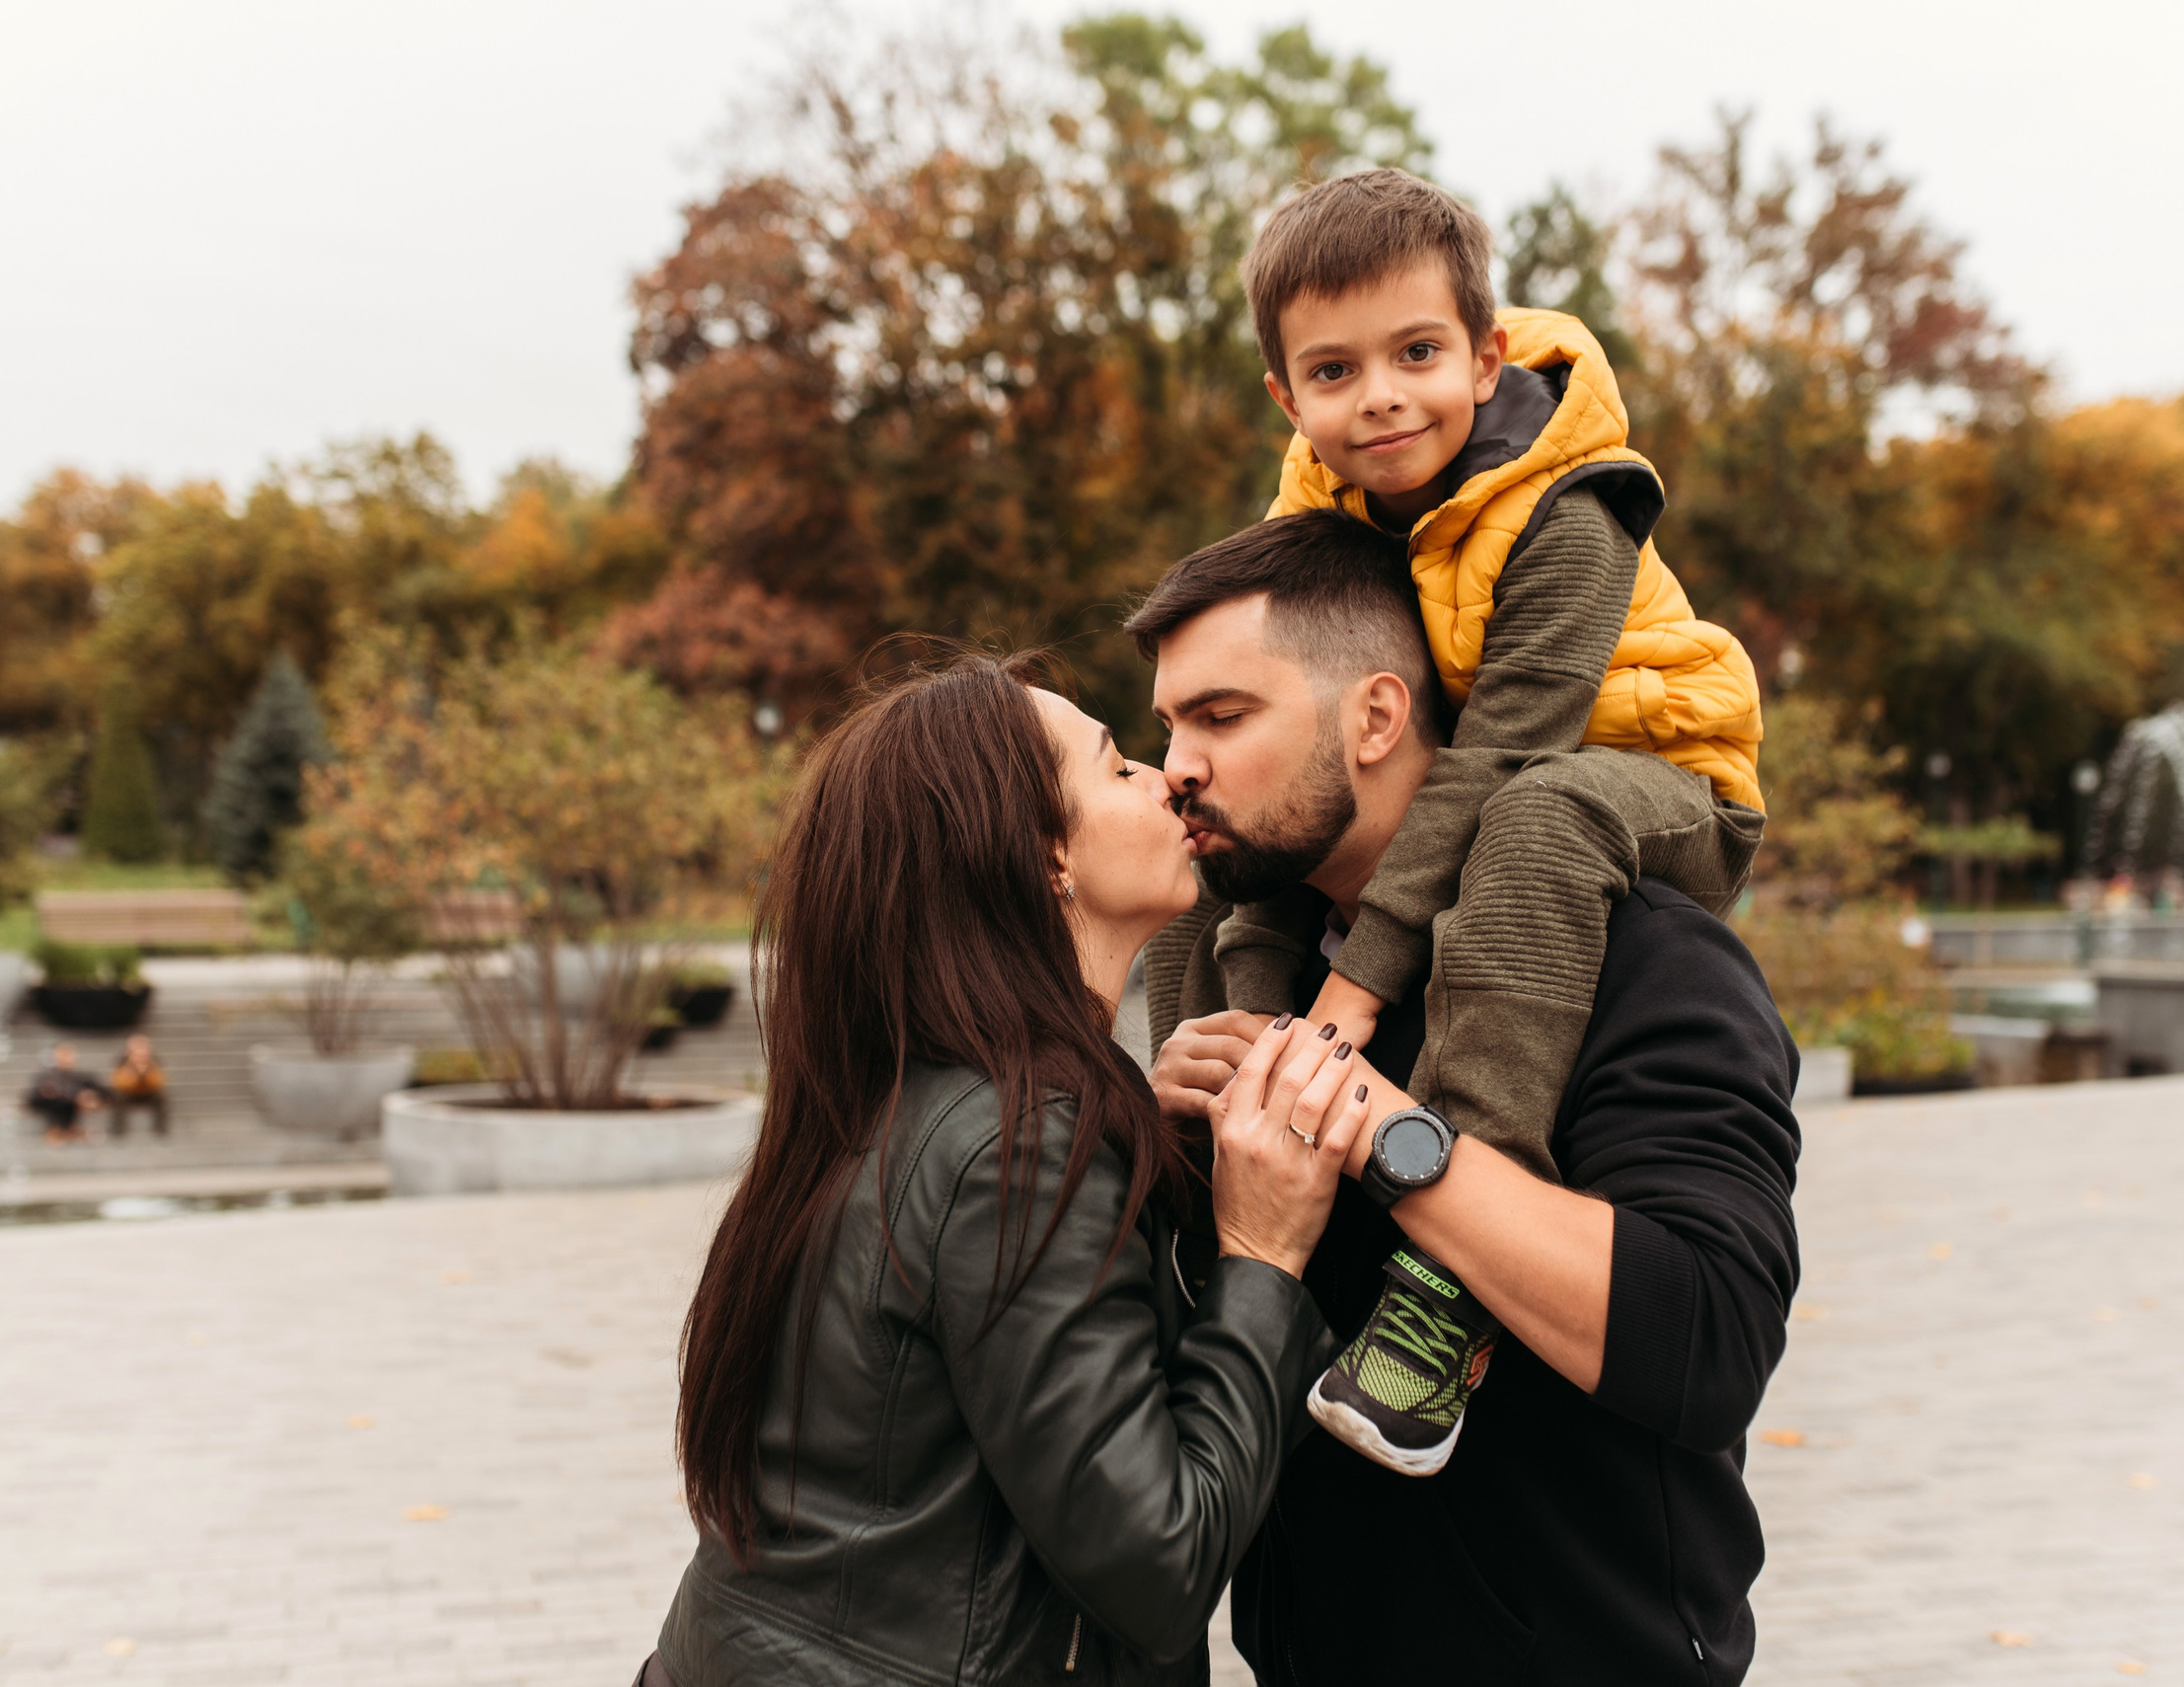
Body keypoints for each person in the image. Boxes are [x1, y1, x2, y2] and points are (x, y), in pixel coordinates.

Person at [1133, 524, 1800, 1684]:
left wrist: (1376, 1127)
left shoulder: (1639, 953)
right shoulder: (1255, 966)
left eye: (1221, 716)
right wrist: (1157, 1141)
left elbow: (1710, 1337)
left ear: (1377, 717)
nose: (1177, 765)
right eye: (1167, 728)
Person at [640, 654, 1371, 1687]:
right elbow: (1158, 1565)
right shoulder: (1023, 1143)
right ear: (1043, 859)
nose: (1168, 777)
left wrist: (1140, 1144)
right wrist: (1265, 1253)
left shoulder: (925, 1093)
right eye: (1118, 767)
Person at [1192, 165, 1769, 1473]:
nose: (1380, 396)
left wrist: (1348, 1008)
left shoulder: (1577, 507)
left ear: (1486, 351)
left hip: (1658, 778)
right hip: (1494, 792)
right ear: (1286, 397)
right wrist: (1260, 1001)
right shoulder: (1321, 510)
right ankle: (1205, 1171)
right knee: (1232, 806)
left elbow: (1502, 753)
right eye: (1333, 373)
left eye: (1416, 353)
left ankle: (1446, 1286)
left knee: (1540, 813)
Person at [25, 1042, 105, 1144]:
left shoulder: (81, 1077)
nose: (67, 1058)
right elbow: (32, 1097)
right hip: (52, 1106)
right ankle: (62, 1130)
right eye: (63, 1054)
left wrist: (89, 1096)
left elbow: (102, 1090)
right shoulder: (45, 1076)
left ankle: (65, 1130)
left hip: (71, 1107)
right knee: (59, 1100)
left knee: (75, 1099)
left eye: (69, 1054)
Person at [108, 1035, 168, 1138]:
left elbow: (160, 1083)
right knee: (117, 1098)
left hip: (147, 1093)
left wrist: (146, 1075)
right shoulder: (123, 1062)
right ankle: (118, 1131)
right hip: (129, 1093)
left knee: (161, 1098)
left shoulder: (154, 1062)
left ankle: (161, 1130)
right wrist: (133, 1076)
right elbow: (117, 1083)